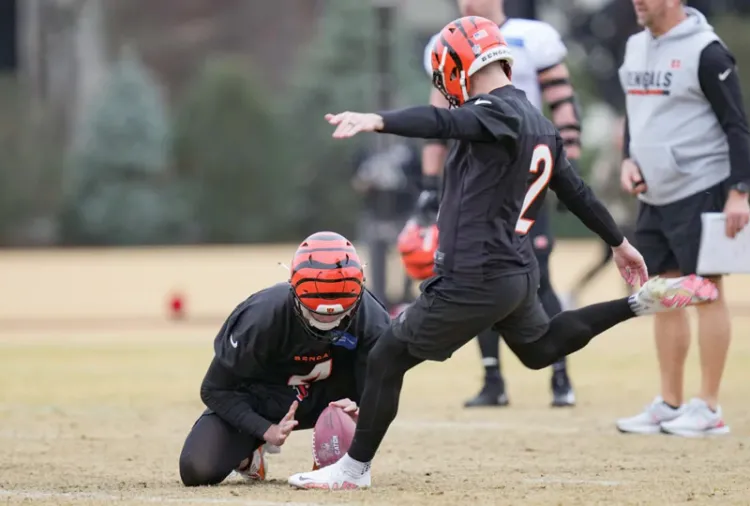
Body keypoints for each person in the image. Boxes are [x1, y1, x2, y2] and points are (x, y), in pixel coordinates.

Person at [287, 17, 718, 490]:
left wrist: (378, 120)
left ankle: (352, 471)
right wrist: (620, 243)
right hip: (515, 273)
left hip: (474, 275)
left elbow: (443, 121)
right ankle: (638, 302)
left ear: (456, 67)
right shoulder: (540, 124)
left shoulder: (494, 111)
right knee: (541, 348)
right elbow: (578, 193)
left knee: (387, 354)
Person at [419, 0, 584, 408]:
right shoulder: (448, 40)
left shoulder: (533, 37)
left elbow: (562, 100)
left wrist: (570, 166)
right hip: (472, 177)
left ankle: (560, 374)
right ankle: (493, 378)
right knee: (473, 273)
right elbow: (438, 116)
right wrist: (428, 182)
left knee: (539, 273)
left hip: (522, 173)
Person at [615, 0, 750, 437]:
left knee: (706, 292)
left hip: (703, 187)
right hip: (654, 193)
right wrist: (627, 160)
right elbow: (636, 115)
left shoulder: (707, 51)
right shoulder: (635, 46)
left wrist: (739, 192)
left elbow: (737, 125)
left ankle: (708, 407)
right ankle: (670, 404)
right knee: (663, 293)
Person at [178, 232, 392, 486]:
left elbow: (383, 389)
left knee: (371, 397)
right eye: (316, 314)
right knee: (198, 468)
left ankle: (335, 463)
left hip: (329, 399)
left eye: (339, 312)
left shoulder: (373, 320)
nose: (326, 322)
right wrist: (264, 429)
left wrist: (359, 406)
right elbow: (214, 389)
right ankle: (250, 456)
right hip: (264, 399)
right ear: (294, 288)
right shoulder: (261, 316)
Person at [561, 115, 638, 308]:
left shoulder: (630, 155)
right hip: (615, 216)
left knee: (617, 258)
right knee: (617, 256)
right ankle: (631, 297)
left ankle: (630, 296)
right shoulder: (609, 157)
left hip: (629, 216)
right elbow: (601, 185)